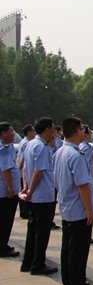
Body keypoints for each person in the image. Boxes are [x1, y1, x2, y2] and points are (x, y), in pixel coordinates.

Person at [53, 117, 93, 285]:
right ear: (76, 131)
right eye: (81, 129)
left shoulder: (60, 152)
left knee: (68, 247)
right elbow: (82, 185)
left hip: (67, 206)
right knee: (78, 250)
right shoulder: (76, 155)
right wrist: (89, 210)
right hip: (78, 209)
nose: (83, 132)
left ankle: (69, 282)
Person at [21, 117, 58, 275]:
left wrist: (26, 187)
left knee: (32, 230)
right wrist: (30, 190)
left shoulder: (30, 144)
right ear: (47, 129)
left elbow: (25, 169)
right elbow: (39, 172)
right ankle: (38, 264)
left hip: (35, 196)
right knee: (42, 232)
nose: (54, 132)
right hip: (43, 195)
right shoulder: (42, 147)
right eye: (53, 128)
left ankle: (28, 261)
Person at [0, 122, 21, 257]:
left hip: (3, 190)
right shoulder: (5, 148)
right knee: (5, 220)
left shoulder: (7, 146)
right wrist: (10, 187)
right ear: (3, 133)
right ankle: (2, 247)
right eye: (11, 131)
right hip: (6, 191)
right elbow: (6, 169)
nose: (13, 134)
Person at [79, 127, 93, 244]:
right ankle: (87, 236)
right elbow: (85, 166)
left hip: (87, 180)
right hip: (87, 181)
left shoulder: (83, 146)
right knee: (88, 210)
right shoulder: (85, 148)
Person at [16, 124, 35, 219]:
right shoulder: (26, 143)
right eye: (33, 131)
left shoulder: (23, 141)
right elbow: (23, 158)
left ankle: (23, 213)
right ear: (29, 132)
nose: (35, 133)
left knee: (23, 193)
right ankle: (25, 213)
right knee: (25, 192)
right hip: (24, 171)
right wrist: (19, 169)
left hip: (22, 171)